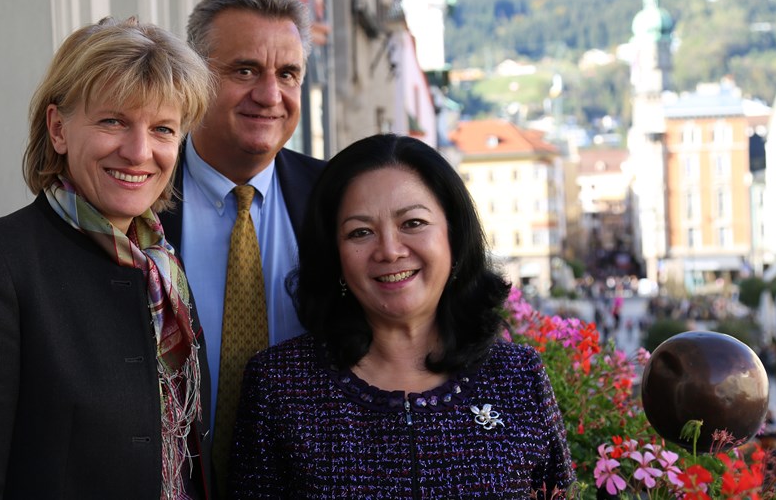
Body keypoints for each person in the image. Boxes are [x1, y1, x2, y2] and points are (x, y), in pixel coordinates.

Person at [0, 16, 214, 499]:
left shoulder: (163, 268)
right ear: (58, 129)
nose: (139, 151)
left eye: (163, 129)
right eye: (113, 120)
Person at [230, 134, 575, 498]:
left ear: (453, 235)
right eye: (360, 232)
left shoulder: (518, 376)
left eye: (412, 223)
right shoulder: (279, 387)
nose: (390, 251)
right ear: (335, 255)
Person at [158, 0, 325, 486]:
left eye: (288, 74)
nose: (270, 96)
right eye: (245, 70)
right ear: (195, 76)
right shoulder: (136, 198)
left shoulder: (338, 202)